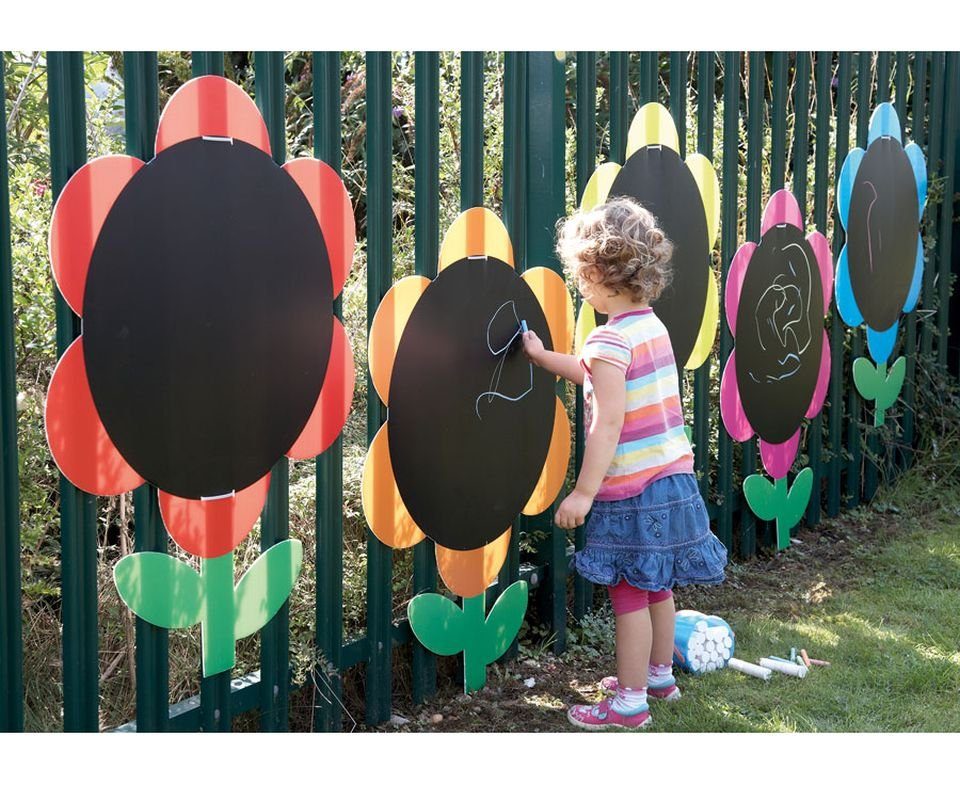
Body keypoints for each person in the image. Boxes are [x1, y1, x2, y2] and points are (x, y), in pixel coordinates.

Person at [522, 197, 727, 730]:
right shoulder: (649, 329)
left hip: (632, 489)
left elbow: (606, 421)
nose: (578, 284)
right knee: (657, 584)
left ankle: (630, 703)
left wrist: (584, 493)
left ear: (597, 274)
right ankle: (659, 675)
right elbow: (598, 375)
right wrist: (545, 358)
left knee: (629, 593)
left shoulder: (608, 338)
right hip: (671, 480)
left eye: (580, 275)